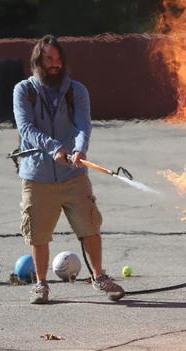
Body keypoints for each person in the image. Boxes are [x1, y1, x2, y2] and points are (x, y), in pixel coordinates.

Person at [13, 34, 124, 304]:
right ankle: (41, 285)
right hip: (37, 176)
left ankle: (100, 277)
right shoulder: (23, 91)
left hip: (74, 175)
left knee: (89, 227)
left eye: (59, 59)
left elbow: (83, 125)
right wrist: (54, 148)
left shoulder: (77, 91)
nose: (55, 64)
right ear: (38, 60)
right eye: (49, 59)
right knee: (38, 233)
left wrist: (79, 150)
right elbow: (26, 129)